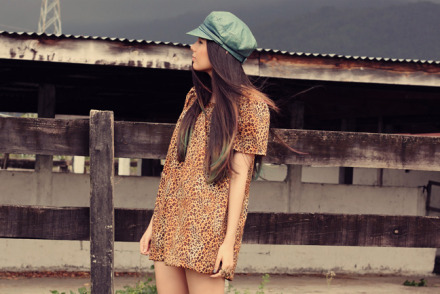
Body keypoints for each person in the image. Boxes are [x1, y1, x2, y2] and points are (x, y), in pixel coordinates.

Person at [139, 11, 276, 294]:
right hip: (170, 223)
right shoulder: (194, 98)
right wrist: (155, 223)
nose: (192, 47)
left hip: (207, 231)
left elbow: (241, 180)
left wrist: (229, 242)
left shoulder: (251, 107)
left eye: (201, 42)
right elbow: (173, 168)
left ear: (220, 51)